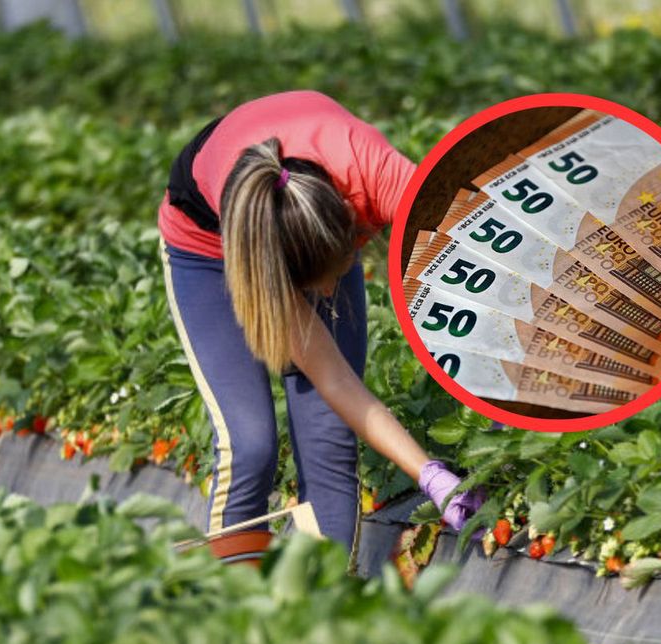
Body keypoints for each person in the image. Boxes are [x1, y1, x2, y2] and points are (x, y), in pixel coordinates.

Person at [157, 90, 482, 550]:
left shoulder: (380, 177)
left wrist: (434, 477)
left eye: (335, 275)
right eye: (315, 288)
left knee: (329, 434)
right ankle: (231, 602)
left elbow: (482, 248)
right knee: (249, 445)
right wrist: (426, 473)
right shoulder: (264, 254)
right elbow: (335, 378)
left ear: (349, 228)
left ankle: (320, 602)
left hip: (310, 219)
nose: (327, 297)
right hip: (207, 249)